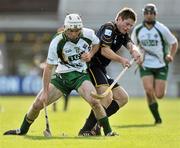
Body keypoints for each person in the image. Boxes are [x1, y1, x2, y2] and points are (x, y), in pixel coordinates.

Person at [3, 13, 116, 136]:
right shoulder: (57, 42)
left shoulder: (88, 34)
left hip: (80, 76)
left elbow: (97, 43)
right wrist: (45, 92)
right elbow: (48, 68)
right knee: (37, 104)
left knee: (95, 102)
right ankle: (22, 130)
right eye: (71, 30)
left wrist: (91, 54)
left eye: (77, 30)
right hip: (62, 77)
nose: (74, 34)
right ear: (65, 28)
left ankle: (108, 132)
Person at [78, 7, 142, 136]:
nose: (128, 27)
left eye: (131, 25)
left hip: (101, 68)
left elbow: (130, 44)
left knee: (123, 98)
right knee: (106, 98)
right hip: (92, 66)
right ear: (119, 19)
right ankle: (85, 130)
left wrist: (135, 51)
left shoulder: (122, 33)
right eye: (127, 24)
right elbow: (104, 50)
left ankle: (97, 125)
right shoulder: (109, 28)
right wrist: (122, 60)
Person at [131, 3, 178, 124]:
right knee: (148, 90)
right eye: (146, 13)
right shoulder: (138, 30)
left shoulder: (161, 28)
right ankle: (157, 118)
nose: (149, 15)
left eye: (151, 13)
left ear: (155, 14)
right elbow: (132, 45)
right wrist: (137, 57)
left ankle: (155, 109)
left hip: (161, 64)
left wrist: (170, 55)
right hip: (145, 64)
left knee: (159, 94)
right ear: (144, 14)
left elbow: (174, 43)